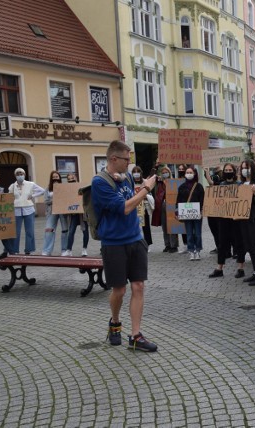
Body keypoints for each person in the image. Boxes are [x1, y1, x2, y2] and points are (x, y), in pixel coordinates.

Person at [93, 140, 158, 352]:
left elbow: (132, 197)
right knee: (119, 290)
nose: (129, 164)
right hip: (113, 243)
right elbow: (125, 208)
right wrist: (147, 188)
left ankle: (135, 335)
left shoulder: (127, 176)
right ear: (113, 159)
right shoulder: (99, 182)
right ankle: (114, 322)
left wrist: (140, 189)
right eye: (126, 160)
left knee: (138, 286)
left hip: (135, 239)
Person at [209, 163, 246, 278]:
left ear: (234, 172)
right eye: (226, 170)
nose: (228, 171)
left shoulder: (240, 185)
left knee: (239, 242)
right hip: (223, 219)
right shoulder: (221, 185)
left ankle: (241, 268)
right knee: (222, 243)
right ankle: (219, 268)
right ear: (223, 172)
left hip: (236, 219)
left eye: (230, 169)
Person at [9, 167, 44, 255]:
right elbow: (9, 198)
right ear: (15, 175)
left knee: (30, 231)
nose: (20, 176)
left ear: (24, 175)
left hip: (28, 209)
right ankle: (14, 250)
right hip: (16, 210)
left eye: (21, 174)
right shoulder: (12, 186)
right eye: (18, 174)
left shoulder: (30, 184)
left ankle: (29, 249)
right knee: (15, 232)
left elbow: (42, 191)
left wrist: (33, 195)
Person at [176, 167, 204, 261]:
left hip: (197, 214)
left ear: (194, 173)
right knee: (189, 234)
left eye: (190, 172)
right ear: (185, 174)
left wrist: (202, 211)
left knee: (198, 233)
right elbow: (178, 201)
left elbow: (203, 200)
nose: (189, 174)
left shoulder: (199, 186)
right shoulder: (181, 187)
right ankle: (191, 251)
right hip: (186, 214)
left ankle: (198, 251)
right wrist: (177, 212)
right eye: (187, 172)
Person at [151, 166, 179, 253]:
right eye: (163, 173)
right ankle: (167, 245)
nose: (164, 174)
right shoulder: (159, 182)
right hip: (161, 205)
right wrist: (155, 167)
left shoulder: (173, 182)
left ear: (169, 173)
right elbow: (151, 177)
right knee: (165, 226)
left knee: (172, 225)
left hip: (171, 205)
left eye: (166, 172)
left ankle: (174, 246)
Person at [41, 171, 68, 256]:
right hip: (52, 211)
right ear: (51, 178)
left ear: (59, 178)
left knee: (65, 230)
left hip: (63, 211)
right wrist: (54, 200)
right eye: (54, 177)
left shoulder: (64, 187)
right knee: (49, 230)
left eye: (57, 176)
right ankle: (47, 250)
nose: (55, 178)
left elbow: (68, 198)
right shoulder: (48, 189)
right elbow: (46, 200)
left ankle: (64, 250)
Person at [65, 173, 90, 257]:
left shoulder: (81, 187)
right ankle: (69, 250)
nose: (71, 180)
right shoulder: (67, 190)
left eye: (72, 178)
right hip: (73, 214)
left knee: (85, 231)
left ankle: (84, 249)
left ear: (76, 178)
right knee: (71, 231)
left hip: (82, 214)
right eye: (69, 179)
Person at [132, 166, 154, 252]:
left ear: (141, 173)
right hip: (134, 206)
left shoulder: (145, 182)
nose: (136, 174)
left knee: (146, 226)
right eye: (134, 172)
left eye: (138, 172)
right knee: (135, 226)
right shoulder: (130, 182)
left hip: (143, 206)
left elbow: (150, 191)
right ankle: (135, 243)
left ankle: (148, 244)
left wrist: (145, 196)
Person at [0, 173, 14, 259]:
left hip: (0, 215)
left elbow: (6, 200)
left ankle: (9, 252)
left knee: (4, 234)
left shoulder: (1, 189)